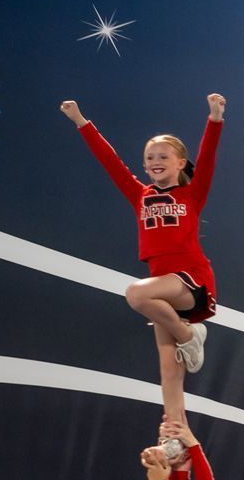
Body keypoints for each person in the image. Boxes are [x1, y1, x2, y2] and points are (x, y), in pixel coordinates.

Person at [60, 94, 226, 423]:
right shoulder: (141, 195)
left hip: (188, 279)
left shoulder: (191, 194)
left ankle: (190, 335)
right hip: (161, 287)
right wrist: (82, 122)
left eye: (163, 156)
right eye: (149, 157)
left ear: (181, 162)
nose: (154, 161)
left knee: (136, 293)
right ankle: (176, 434)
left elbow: (207, 158)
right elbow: (110, 163)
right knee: (169, 372)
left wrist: (215, 119)